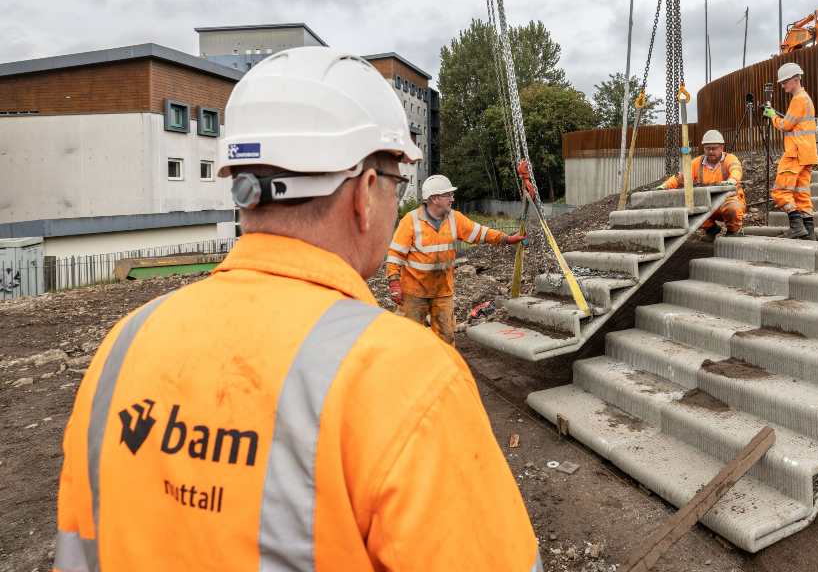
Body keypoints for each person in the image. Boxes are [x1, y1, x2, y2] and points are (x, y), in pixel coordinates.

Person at [52, 48, 541, 572]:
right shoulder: (409, 381)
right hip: (417, 296)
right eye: (396, 184)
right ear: (366, 192)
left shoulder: (122, 348)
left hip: (437, 289)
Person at [386, 174, 524, 344]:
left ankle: (444, 369)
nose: (452, 198)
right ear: (435, 198)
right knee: (408, 338)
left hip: (442, 293)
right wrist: (394, 282)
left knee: (446, 337)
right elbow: (395, 254)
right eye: (448, 195)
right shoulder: (411, 221)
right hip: (414, 293)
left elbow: (480, 232)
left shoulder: (455, 218)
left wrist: (507, 239)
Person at [658, 129, 746, 240]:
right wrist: (665, 186)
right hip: (707, 202)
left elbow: (736, 169)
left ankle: (733, 231)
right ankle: (711, 230)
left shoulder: (730, 159)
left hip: (728, 199)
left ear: (721, 148)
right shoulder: (696, 163)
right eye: (707, 148)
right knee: (690, 208)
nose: (710, 151)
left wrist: (732, 180)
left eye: (714, 148)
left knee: (733, 208)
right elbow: (681, 177)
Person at [764, 63, 818, 239]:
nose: (782, 85)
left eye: (785, 81)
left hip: (796, 152)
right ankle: (809, 232)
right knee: (802, 193)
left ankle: (796, 227)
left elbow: (785, 125)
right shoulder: (806, 98)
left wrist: (772, 116)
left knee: (780, 191)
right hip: (808, 153)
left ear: (796, 80)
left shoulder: (798, 100)